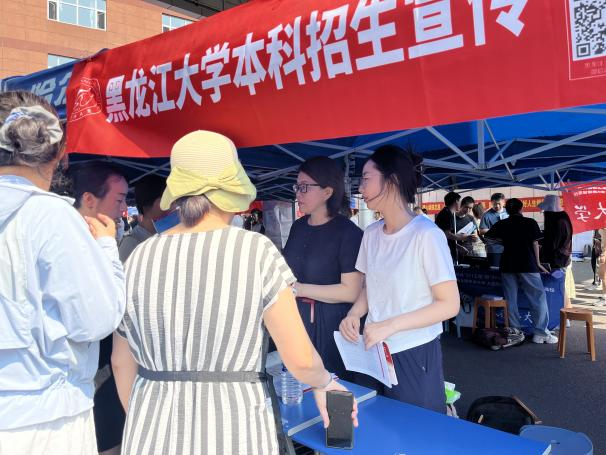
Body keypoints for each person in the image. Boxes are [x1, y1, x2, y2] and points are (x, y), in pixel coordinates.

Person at [111, 131, 357, 455]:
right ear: (231, 189)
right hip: (235, 431)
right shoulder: (254, 250)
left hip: (151, 433)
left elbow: (120, 361)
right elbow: (299, 358)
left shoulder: (139, 256)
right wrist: (324, 383)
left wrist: (146, 417)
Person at [0, 91, 125, 454]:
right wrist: (107, 248)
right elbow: (97, 319)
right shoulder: (50, 215)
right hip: (45, 416)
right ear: (58, 152)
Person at [339, 145, 459, 413]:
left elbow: (449, 305)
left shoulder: (426, 234)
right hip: (373, 348)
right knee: (375, 422)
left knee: (415, 428)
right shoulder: (371, 233)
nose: (360, 188)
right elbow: (372, 286)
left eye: (366, 179)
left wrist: (390, 326)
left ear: (391, 181)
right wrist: (354, 314)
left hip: (413, 350)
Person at [67, 160, 130, 455]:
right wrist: (107, 248)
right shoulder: (68, 242)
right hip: (84, 375)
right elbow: (106, 311)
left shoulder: (97, 238)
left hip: (100, 369)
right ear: (89, 199)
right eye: (119, 200)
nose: (124, 209)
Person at [283, 156, 364, 381]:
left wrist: (300, 289)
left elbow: (351, 291)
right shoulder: (298, 227)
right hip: (296, 320)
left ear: (327, 192)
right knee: (296, 383)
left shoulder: (348, 233)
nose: (298, 194)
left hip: (332, 326)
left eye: (304, 187)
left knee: (331, 387)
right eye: (297, 187)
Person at [485, 199, 558, 344]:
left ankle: (515, 331)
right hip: (527, 264)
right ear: (521, 209)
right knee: (537, 297)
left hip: (507, 264)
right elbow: (535, 243)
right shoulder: (530, 222)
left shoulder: (502, 223)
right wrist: (538, 262)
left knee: (510, 299)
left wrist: (504, 242)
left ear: (507, 210)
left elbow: (488, 238)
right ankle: (540, 333)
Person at [119, 174, 168, 262]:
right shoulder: (132, 244)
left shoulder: (164, 236)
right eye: (171, 202)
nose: (175, 207)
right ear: (159, 204)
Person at [538, 194, 574, 309]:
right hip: (560, 259)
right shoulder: (562, 217)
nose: (544, 212)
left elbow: (552, 243)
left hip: (557, 260)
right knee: (559, 287)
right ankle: (565, 312)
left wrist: (539, 242)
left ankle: (565, 312)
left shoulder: (558, 221)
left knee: (558, 287)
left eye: (546, 210)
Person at [434, 191, 471, 263]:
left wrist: (459, 247)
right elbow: (447, 234)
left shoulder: (447, 213)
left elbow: (446, 238)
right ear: (456, 201)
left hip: (447, 251)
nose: (460, 204)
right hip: (446, 253)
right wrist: (463, 237)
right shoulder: (446, 214)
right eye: (459, 201)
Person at [480, 192, 508, 267]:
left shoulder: (509, 212)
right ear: (491, 203)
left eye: (499, 203)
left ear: (504, 202)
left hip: (509, 248)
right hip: (494, 249)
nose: (497, 206)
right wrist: (496, 230)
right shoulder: (486, 215)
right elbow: (481, 231)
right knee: (495, 269)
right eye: (494, 204)